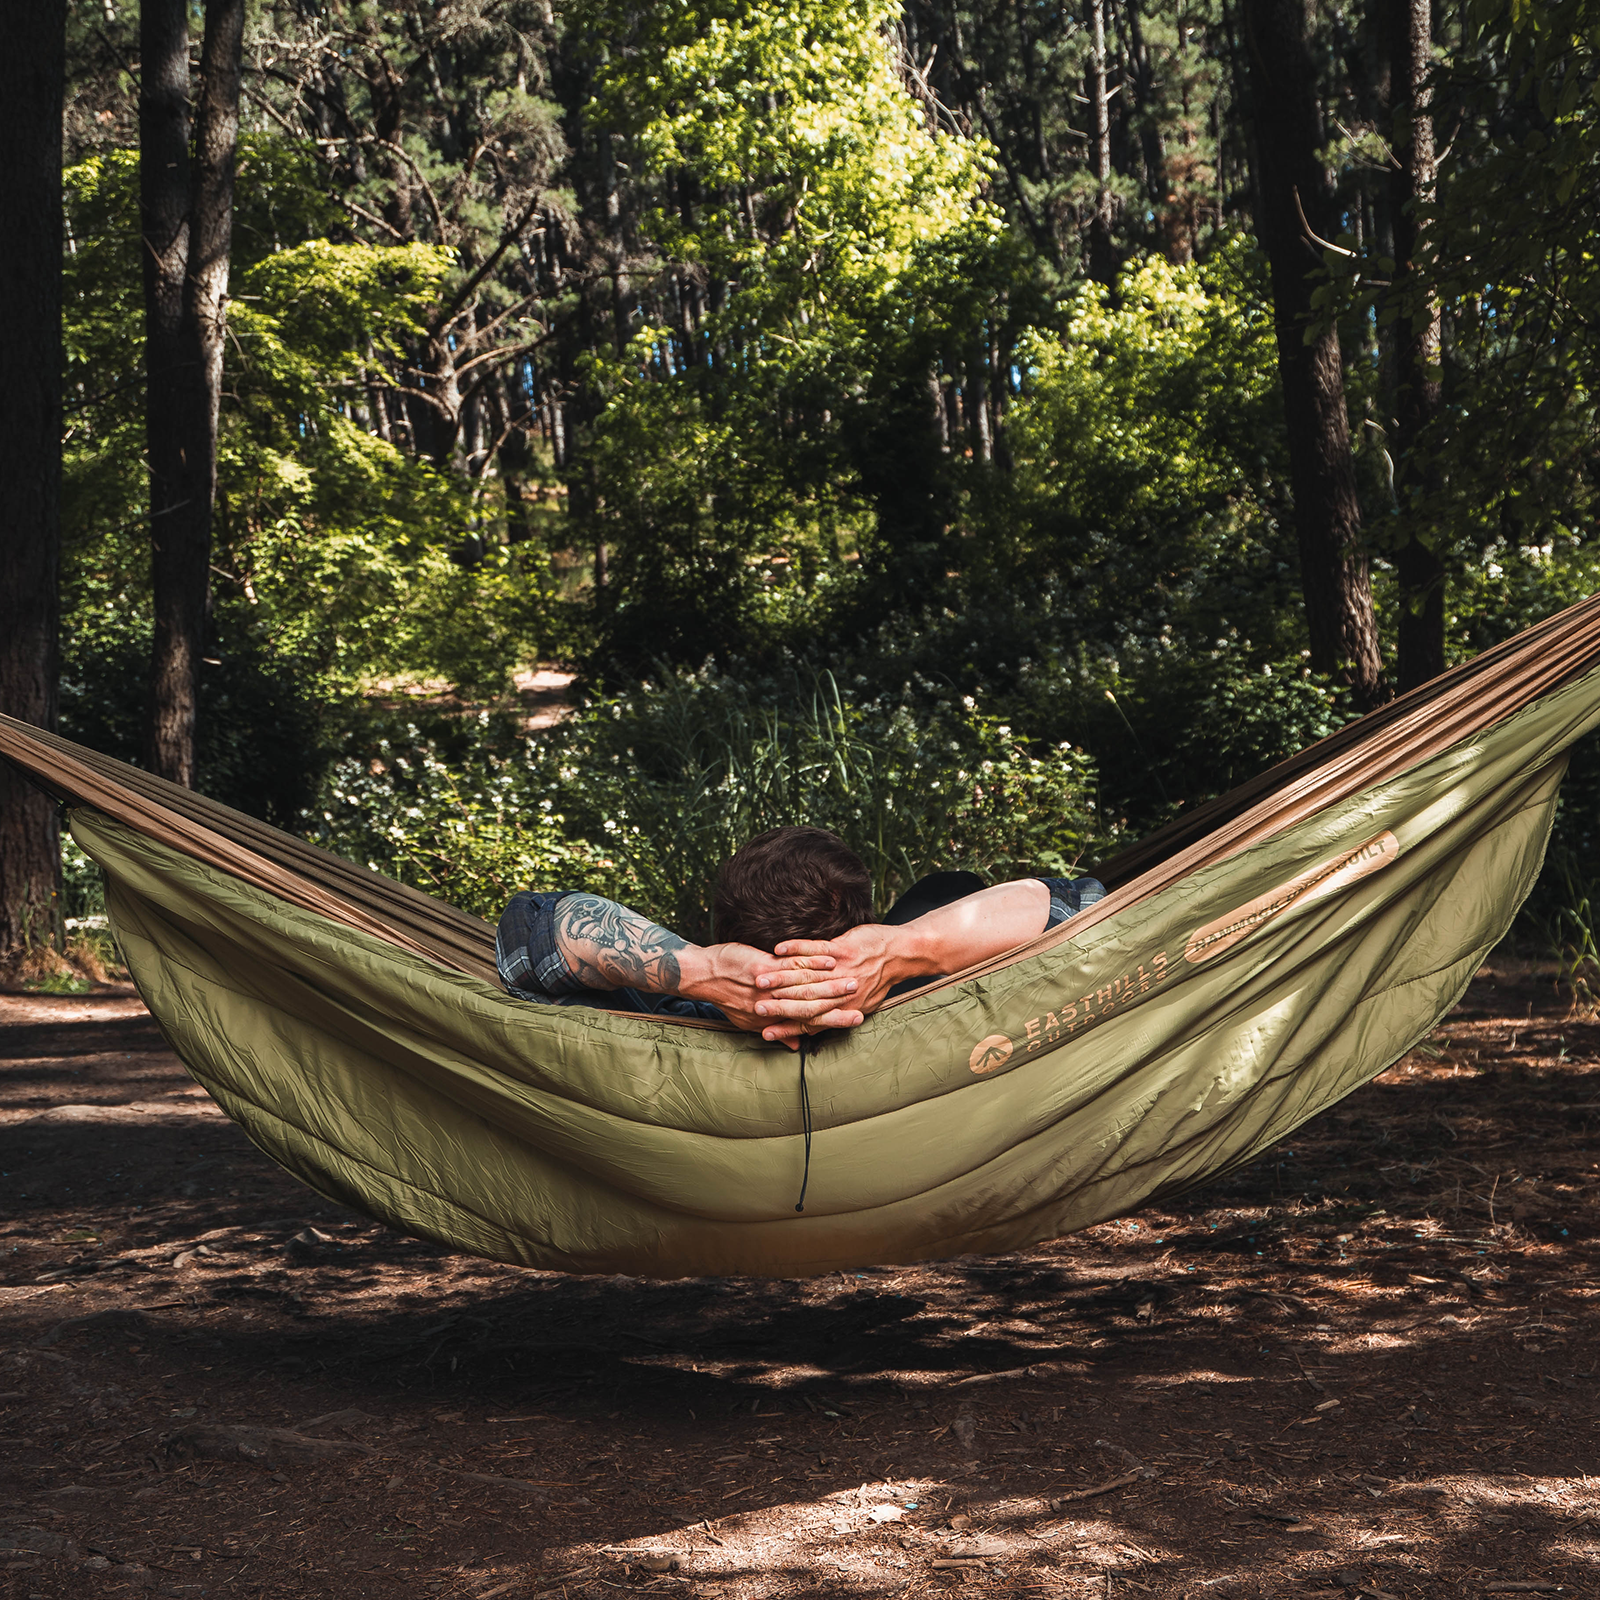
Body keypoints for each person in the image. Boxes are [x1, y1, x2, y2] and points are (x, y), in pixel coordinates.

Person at [495, 825, 1103, 1049]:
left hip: (705, 997)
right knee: (947, 887)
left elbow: (530, 932)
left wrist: (704, 971)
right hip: (897, 990)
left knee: (945, 886)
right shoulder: (938, 994)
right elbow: (1081, 906)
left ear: (720, 930)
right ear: (861, 926)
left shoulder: (664, 1015)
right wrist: (896, 952)